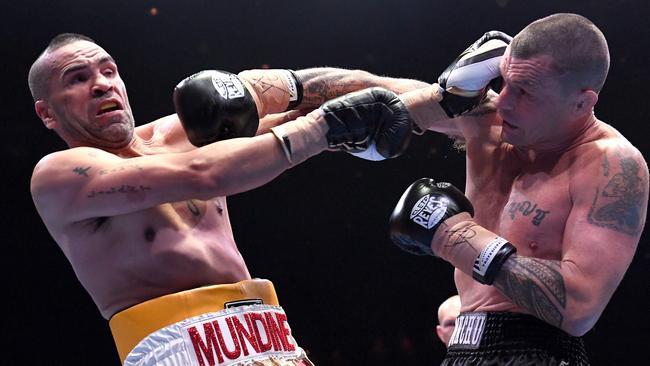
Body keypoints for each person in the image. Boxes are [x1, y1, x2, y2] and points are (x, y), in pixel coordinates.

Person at [27, 33, 422, 365]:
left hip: (268, 334)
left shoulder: (181, 133)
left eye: (108, 70)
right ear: (47, 113)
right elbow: (202, 173)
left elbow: (328, 99)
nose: (101, 83)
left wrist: (447, 96)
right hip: (174, 347)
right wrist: (323, 128)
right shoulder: (58, 175)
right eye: (77, 79)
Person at [386, 13, 648, 365]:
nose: (504, 100)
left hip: (538, 352)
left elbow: (579, 307)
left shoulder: (612, 163)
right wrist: (293, 90)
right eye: (505, 82)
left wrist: (454, 235)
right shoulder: (495, 128)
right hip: (462, 348)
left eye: (525, 92)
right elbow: (380, 98)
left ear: (582, 103)